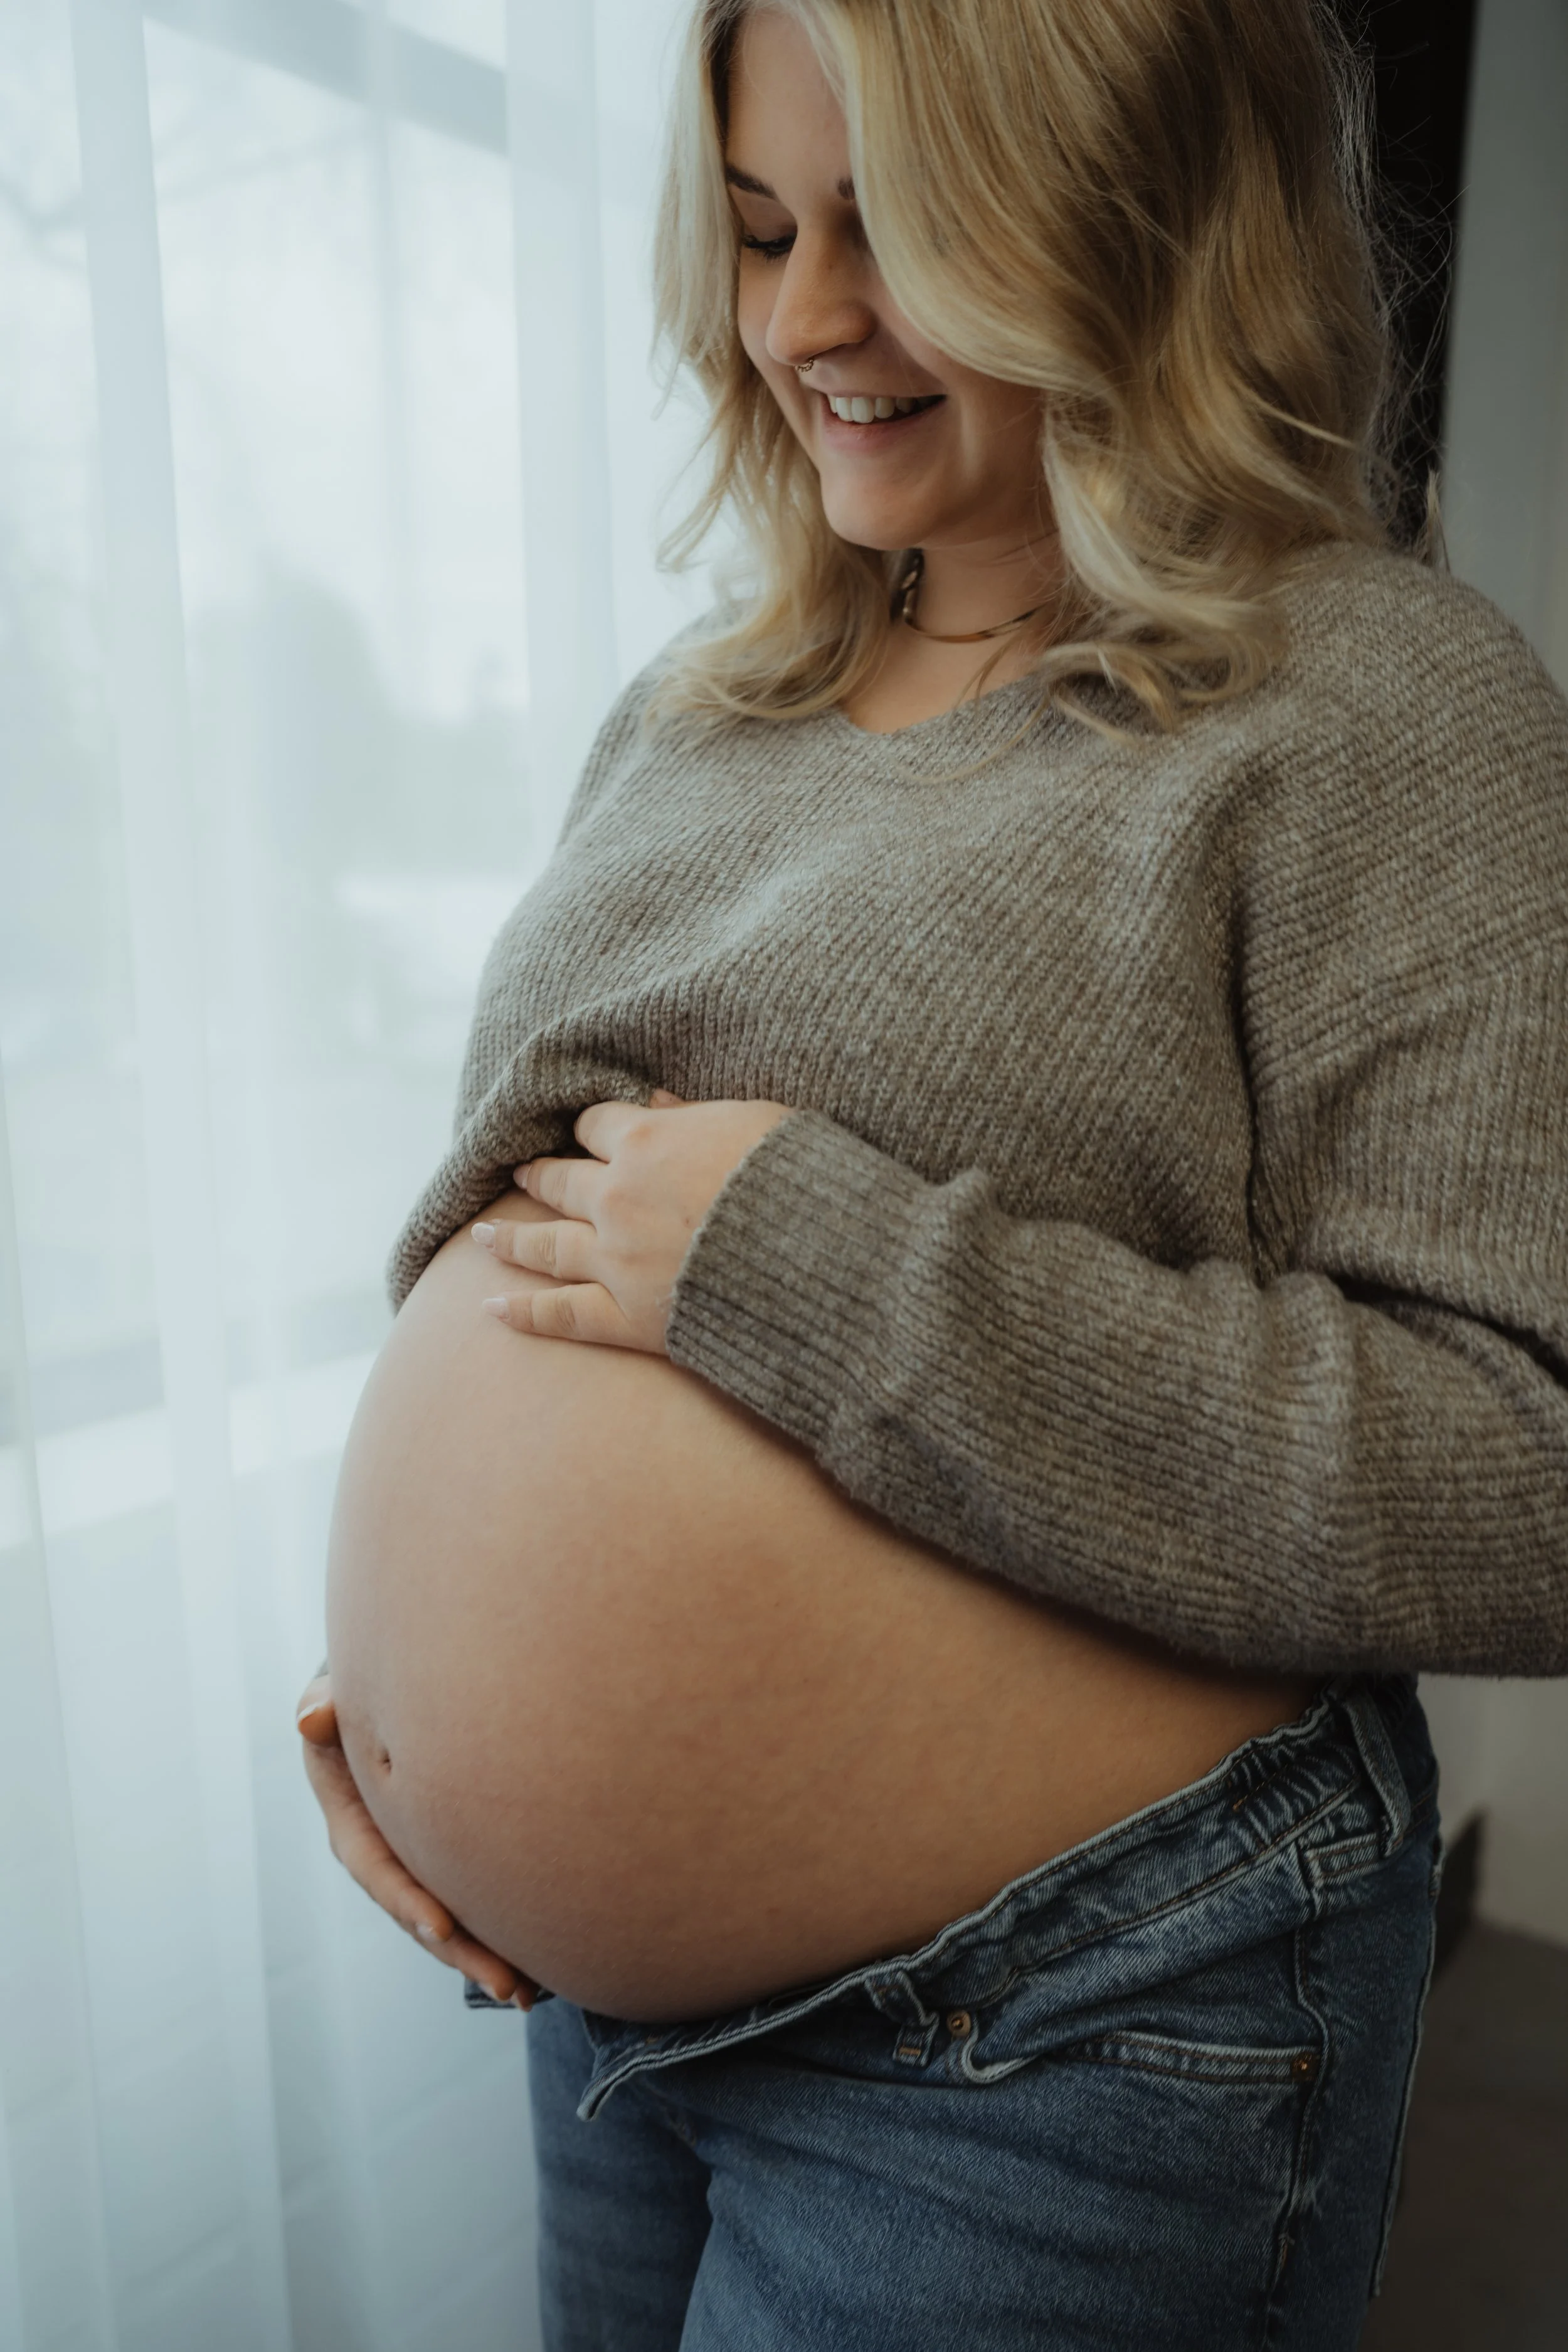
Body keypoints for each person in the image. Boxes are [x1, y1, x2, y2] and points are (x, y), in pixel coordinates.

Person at [299, 1, 1568, 2342]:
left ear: (1133, 213)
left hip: (1062, 2029)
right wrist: (399, 1698)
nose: (797, 324)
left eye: (899, 235)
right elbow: (539, 1211)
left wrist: (820, 1267)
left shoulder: (1377, 705)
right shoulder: (702, 701)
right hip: (596, 2029)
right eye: (764, 233)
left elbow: (1529, 1464)